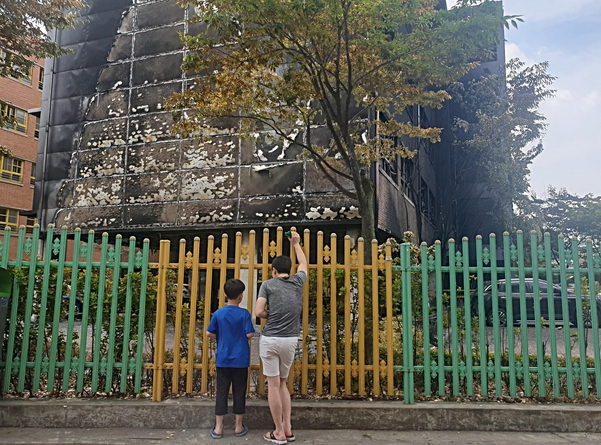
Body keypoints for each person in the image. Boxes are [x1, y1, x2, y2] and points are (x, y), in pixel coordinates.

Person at [255, 231, 307, 444]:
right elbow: (304, 264)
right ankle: (288, 427)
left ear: (274, 271)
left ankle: (277, 432)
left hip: (271, 340)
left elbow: (258, 312)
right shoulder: (297, 282)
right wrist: (296, 244)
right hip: (290, 340)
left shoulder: (268, 284)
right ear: (289, 270)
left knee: (273, 385)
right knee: (283, 383)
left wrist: (271, 314)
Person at [206, 278, 255, 439]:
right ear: (241, 296)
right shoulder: (244, 314)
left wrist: (221, 337)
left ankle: (219, 427)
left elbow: (208, 333)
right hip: (240, 359)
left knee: (222, 391)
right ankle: (238, 426)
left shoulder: (219, 313)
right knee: (239, 391)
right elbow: (249, 334)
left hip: (223, 358)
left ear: (225, 295)